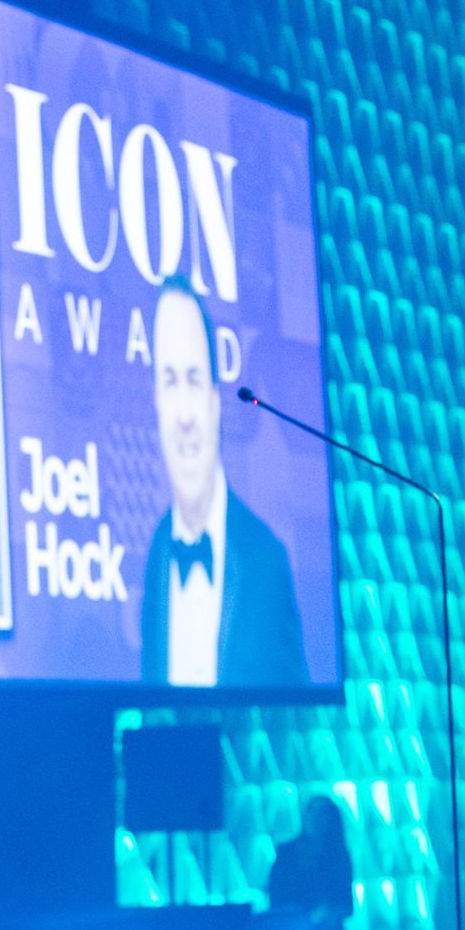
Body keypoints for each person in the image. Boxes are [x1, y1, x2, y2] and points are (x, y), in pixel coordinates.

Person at [138, 275, 306, 686]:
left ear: (215, 401)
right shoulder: (156, 555)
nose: (184, 416)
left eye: (194, 381)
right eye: (170, 382)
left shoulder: (267, 560)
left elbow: (295, 726)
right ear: (156, 402)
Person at [266, 795, 356, 930]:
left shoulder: (339, 856)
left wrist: (331, 913)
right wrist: (309, 915)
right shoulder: (287, 854)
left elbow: (347, 904)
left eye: (323, 814)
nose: (317, 819)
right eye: (314, 813)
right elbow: (277, 900)